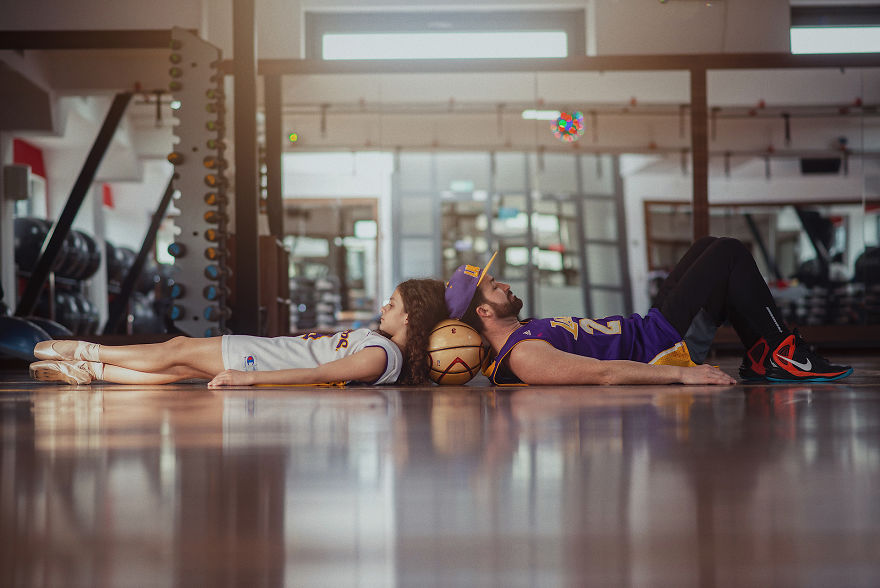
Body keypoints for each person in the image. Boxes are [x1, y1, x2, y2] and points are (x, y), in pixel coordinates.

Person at [445, 237, 853, 386]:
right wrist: (682, 375)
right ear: (483, 311)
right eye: (495, 287)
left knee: (707, 246)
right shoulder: (524, 355)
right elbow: (605, 374)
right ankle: (781, 354)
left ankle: (766, 355)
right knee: (727, 253)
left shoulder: (522, 335)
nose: (506, 285)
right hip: (663, 347)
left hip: (652, 328)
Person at [30, 278, 449, 387]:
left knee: (175, 349)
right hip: (265, 354)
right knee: (179, 369)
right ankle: (89, 373)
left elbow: (319, 374)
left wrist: (251, 377)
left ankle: (86, 351)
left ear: (411, 317)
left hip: (257, 361)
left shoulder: (382, 357)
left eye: (392, 305)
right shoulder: (383, 348)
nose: (383, 308)